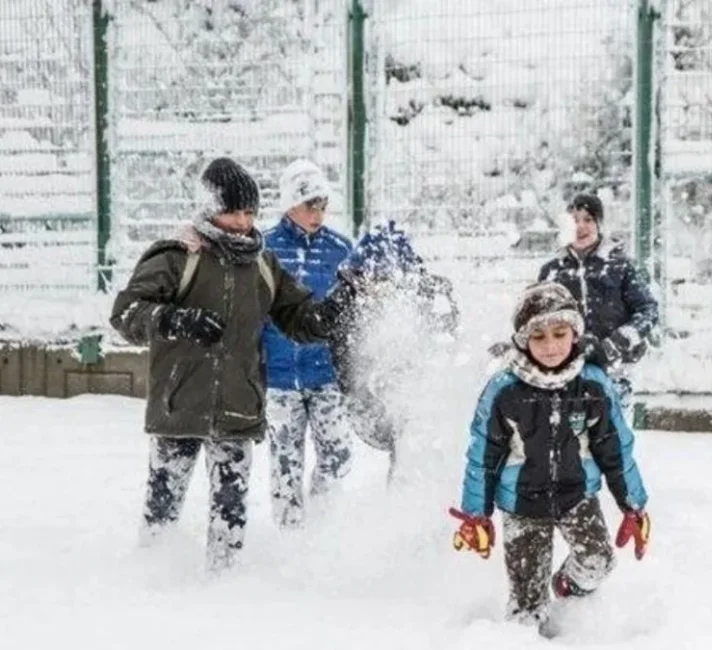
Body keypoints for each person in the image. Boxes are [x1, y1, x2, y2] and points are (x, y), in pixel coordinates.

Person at [109, 157, 362, 572]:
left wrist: (334, 309)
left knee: (231, 512)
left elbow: (299, 319)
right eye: (234, 211)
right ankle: (150, 582)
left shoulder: (262, 264)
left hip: (237, 408)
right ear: (210, 208)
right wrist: (174, 320)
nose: (244, 222)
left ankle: (223, 588)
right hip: (180, 405)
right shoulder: (178, 256)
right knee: (163, 505)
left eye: (250, 212)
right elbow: (126, 312)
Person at [450, 281, 650, 635]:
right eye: (538, 337)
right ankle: (526, 630)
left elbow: (615, 449)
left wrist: (633, 504)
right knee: (527, 609)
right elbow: (482, 455)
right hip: (522, 504)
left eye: (560, 333)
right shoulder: (505, 390)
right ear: (523, 341)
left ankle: (566, 589)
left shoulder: (592, 385)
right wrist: (476, 514)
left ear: (575, 333)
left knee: (598, 561)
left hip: (577, 495)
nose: (550, 346)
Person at [260, 159, 355, 529]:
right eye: (308, 204)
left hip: (325, 375)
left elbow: (352, 314)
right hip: (280, 378)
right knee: (285, 460)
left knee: (338, 453)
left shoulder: (340, 249)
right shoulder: (264, 249)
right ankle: (290, 535)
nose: (317, 213)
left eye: (322, 204)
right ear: (289, 204)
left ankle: (322, 524)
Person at [330, 219, 459, 483]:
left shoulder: (427, 299)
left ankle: (406, 497)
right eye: (365, 278)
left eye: (382, 279)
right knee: (401, 444)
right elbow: (340, 351)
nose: (373, 287)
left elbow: (446, 342)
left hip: (416, 393)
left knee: (411, 446)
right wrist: (353, 388)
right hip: (368, 398)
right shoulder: (348, 301)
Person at [535, 193, 659, 416]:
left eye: (588, 219)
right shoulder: (552, 271)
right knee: (572, 439)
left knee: (612, 437)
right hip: (569, 371)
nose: (581, 226)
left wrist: (618, 342)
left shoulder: (621, 267)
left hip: (616, 370)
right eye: (574, 220)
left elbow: (648, 310)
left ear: (599, 224)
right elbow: (537, 319)